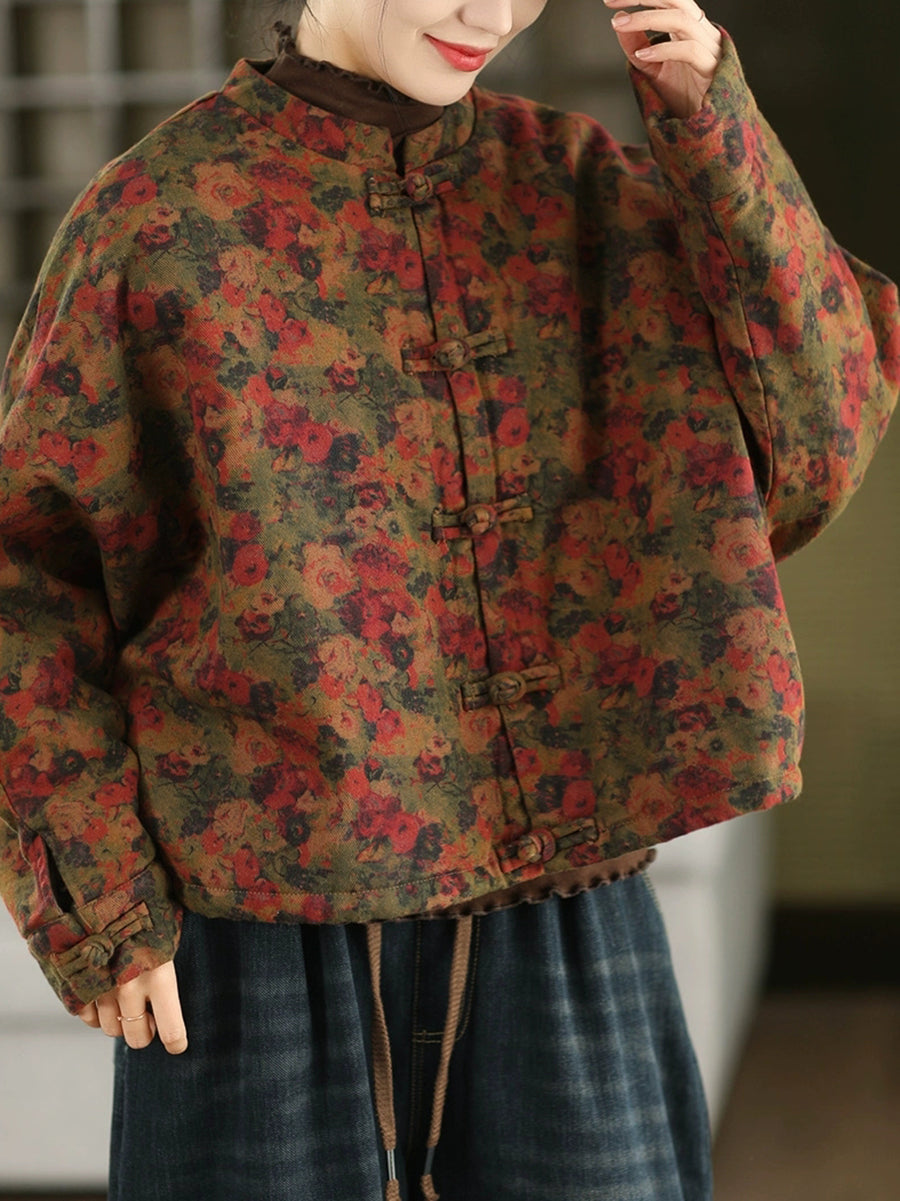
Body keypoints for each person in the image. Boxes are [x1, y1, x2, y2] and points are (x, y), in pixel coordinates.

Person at [1, 1, 897, 1198]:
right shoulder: (156, 219)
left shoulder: (588, 187)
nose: (490, 12)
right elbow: (26, 586)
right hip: (257, 936)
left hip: (568, 911)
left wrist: (712, 123)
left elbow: (819, 434)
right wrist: (101, 901)